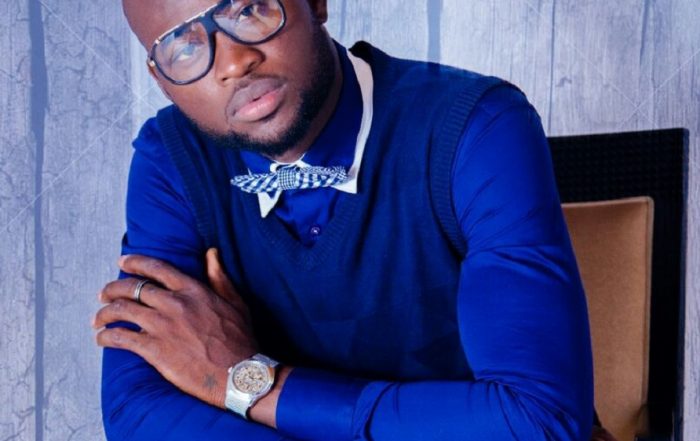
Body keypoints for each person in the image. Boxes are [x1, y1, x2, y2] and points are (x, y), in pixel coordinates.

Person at [93, 0, 609, 439]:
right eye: (182, 47)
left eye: (249, 9)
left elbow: (536, 420)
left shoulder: (479, 126)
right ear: (162, 81)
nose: (233, 62)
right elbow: (137, 410)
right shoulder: (171, 160)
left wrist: (249, 382)